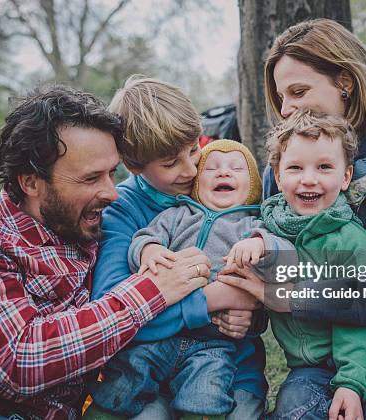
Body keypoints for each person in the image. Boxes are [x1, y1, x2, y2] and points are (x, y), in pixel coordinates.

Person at [0, 86, 210, 419]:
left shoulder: (99, 231)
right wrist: (154, 290)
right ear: (32, 182)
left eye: (112, 173)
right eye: (91, 178)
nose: (111, 193)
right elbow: (23, 360)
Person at [218, 18, 366, 419]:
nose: (286, 108)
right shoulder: (284, 171)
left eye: (298, 91)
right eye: (281, 96)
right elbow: (255, 255)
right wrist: (241, 300)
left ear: (345, 82)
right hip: (314, 358)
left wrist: (295, 295)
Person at [87, 77, 268, 419]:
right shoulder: (123, 211)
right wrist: (215, 298)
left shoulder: (227, 188)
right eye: (170, 163)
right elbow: (111, 313)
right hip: (148, 372)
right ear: (134, 165)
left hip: (230, 365)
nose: (191, 169)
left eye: (194, 147)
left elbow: (275, 269)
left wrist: (255, 308)